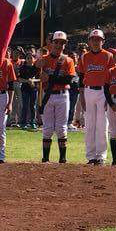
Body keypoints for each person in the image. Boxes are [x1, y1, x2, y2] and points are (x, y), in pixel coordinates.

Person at [39, 31, 77, 163]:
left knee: (61, 128)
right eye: (56, 42)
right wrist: (35, 67)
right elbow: (31, 73)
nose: (59, 45)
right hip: (48, 95)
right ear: (51, 43)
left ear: (65, 45)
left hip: (62, 96)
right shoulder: (44, 59)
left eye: (62, 43)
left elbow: (69, 80)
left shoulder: (68, 60)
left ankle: (62, 158)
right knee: (47, 128)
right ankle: (45, 158)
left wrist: (50, 78)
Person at [78, 29, 113, 165]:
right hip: (88, 91)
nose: (95, 42)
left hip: (103, 92)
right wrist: (81, 96)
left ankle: (101, 156)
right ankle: (90, 156)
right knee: (89, 125)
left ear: (103, 41)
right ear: (89, 41)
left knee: (102, 125)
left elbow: (111, 77)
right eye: (93, 39)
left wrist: (108, 96)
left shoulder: (108, 56)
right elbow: (81, 78)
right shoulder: (84, 57)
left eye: (98, 39)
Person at [17, 50, 40, 129]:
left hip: (33, 89)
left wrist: (33, 81)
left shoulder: (37, 68)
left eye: (31, 58)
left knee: (33, 106)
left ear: (34, 59)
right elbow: (19, 79)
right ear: (26, 59)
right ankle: (23, 122)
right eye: (28, 58)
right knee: (25, 105)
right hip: (25, 89)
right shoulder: (22, 68)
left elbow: (40, 79)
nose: (29, 59)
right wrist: (27, 81)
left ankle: (33, 121)